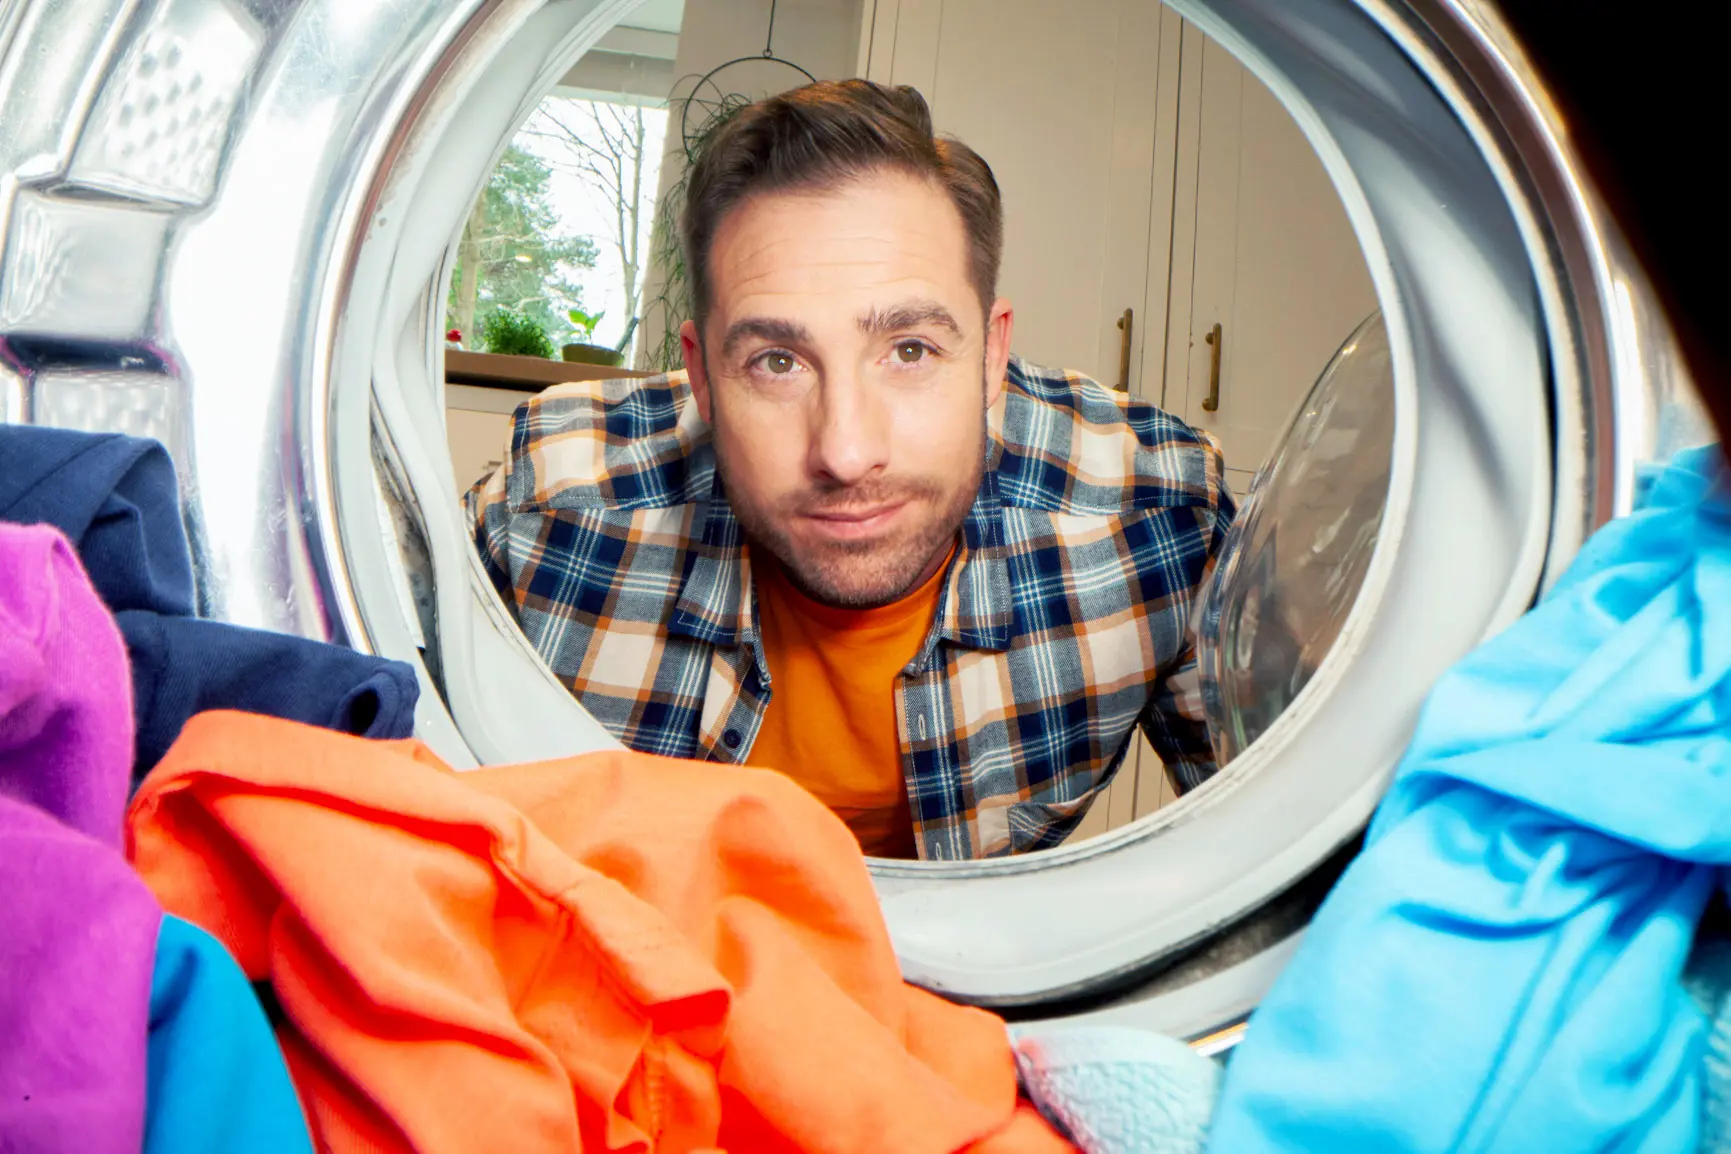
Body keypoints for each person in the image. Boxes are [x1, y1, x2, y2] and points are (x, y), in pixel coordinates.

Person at [467, 79, 1235, 861]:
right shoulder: (552, 509)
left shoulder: (1156, 515)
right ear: (699, 375)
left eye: (909, 351)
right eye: (776, 361)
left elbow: (1290, 853)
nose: (843, 452)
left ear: (993, 352)